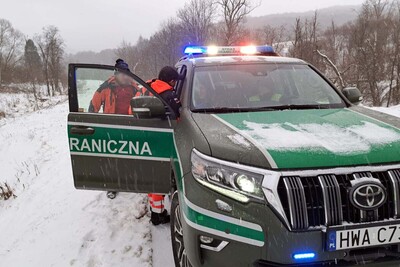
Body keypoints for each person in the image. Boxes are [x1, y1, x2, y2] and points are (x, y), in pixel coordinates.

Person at [89, 59, 148, 199]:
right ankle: (112, 185)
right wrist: (91, 123)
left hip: (130, 125)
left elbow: (144, 102)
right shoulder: (105, 87)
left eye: (127, 74)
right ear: (116, 74)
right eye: (122, 74)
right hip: (111, 126)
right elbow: (93, 106)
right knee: (112, 158)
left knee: (132, 154)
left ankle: (132, 180)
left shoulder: (135, 88)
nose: (125, 77)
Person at [147, 66, 182, 225]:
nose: (175, 84)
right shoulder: (168, 95)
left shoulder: (148, 86)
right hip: (160, 137)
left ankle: (154, 209)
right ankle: (157, 215)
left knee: (152, 174)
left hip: (146, 135)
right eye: (174, 81)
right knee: (160, 176)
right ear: (171, 81)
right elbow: (178, 117)